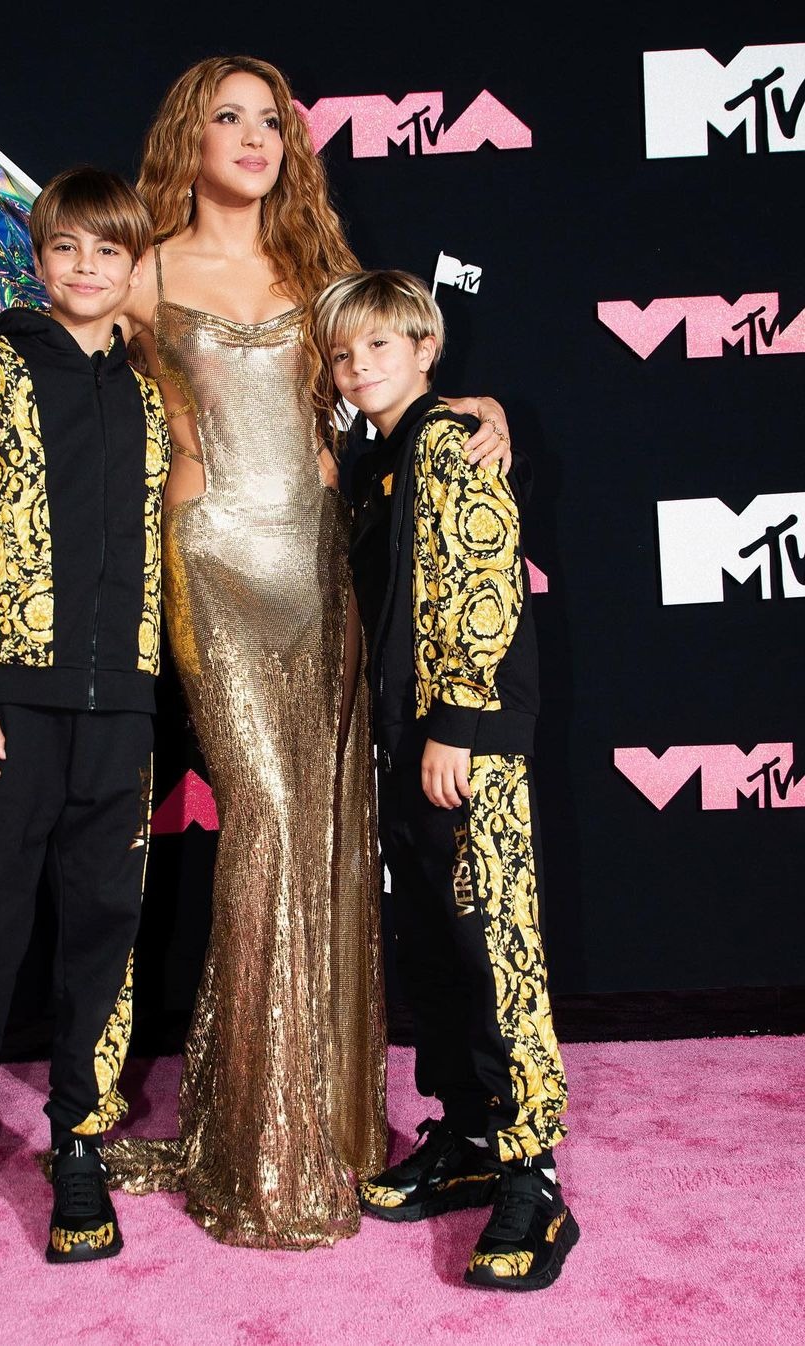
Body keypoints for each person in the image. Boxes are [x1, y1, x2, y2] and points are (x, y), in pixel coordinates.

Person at [0, 56, 513, 1250]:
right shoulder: (141, 264)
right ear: (189, 139)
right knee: (269, 818)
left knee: (322, 836)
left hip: (320, 578)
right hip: (210, 572)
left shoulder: (318, 266)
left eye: (269, 119)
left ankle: (328, 1121)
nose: (251, 135)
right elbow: (56, 322)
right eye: (226, 117)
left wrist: (478, 411)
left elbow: (394, 366)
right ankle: (258, 1143)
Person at [0, 166, 170, 1267]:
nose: (88, 268)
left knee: (104, 931)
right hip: (8, 706)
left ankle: (79, 1142)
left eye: (109, 250)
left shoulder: (152, 395)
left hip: (124, 713)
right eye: (68, 248)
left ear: (132, 264)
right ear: (41, 257)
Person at [310, 270, 578, 1290]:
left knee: (492, 945)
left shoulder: (449, 443)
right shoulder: (376, 460)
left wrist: (458, 721)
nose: (360, 366)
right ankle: (468, 1135)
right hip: (402, 743)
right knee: (434, 945)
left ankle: (533, 1174)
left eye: (380, 346)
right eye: (344, 354)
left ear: (425, 348)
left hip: (466, 743)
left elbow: (484, 581)